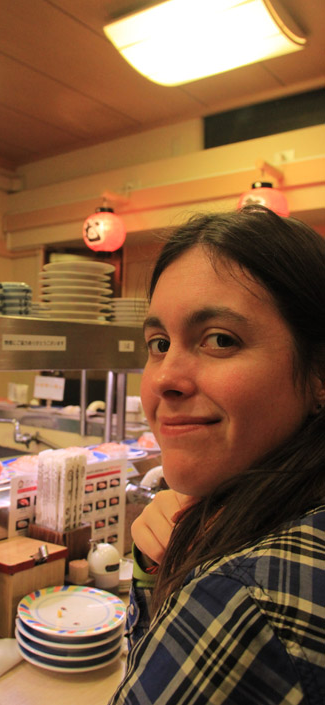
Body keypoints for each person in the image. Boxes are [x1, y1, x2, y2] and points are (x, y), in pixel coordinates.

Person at [109, 205, 325, 705]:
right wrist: (157, 568)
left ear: (318, 374)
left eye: (220, 340)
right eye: (158, 343)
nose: (165, 377)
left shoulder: (240, 601)